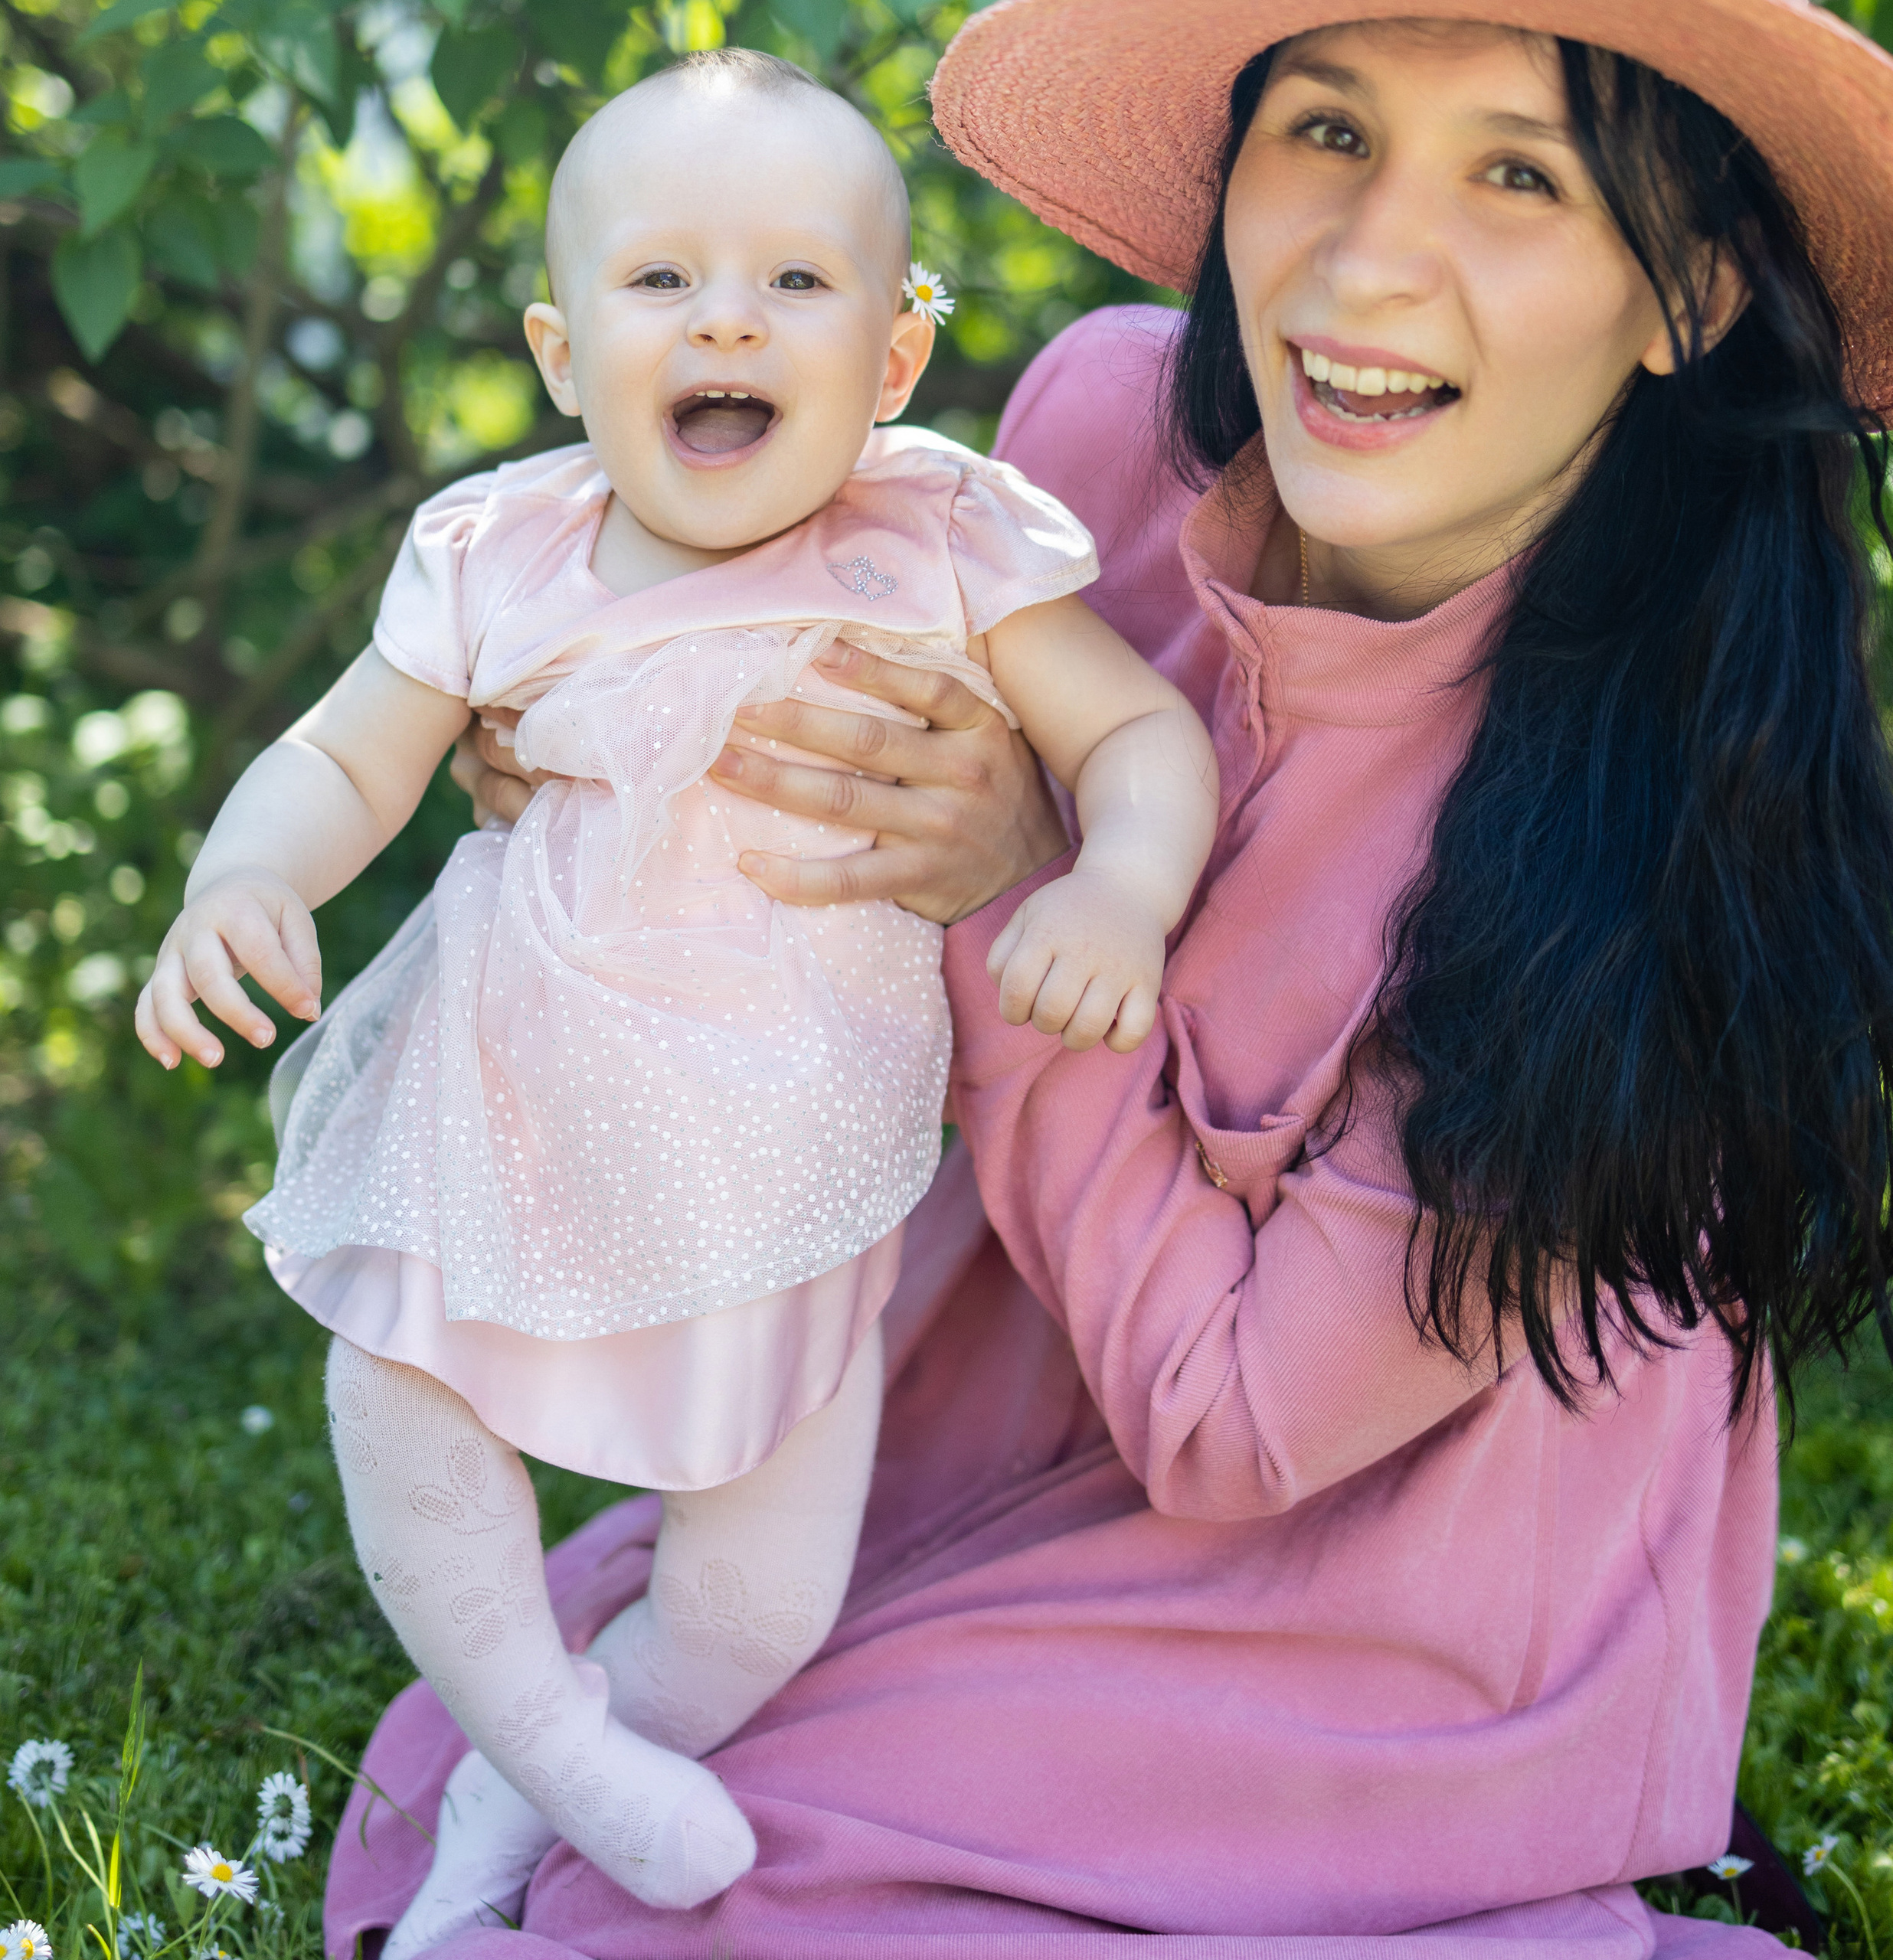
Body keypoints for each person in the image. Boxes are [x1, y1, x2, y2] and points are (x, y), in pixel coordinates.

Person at [325, 1, 1893, 1955]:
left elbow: (1234, 1423)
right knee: (514, 1782)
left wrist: (1011, 887)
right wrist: (587, 729)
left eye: (1516, 172)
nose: (1363, 256)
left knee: (691, 1910)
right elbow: (746, 637)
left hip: (1369, 1611)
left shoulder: (1658, 843)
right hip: (952, 1439)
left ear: (1688, 289)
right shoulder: (1081, 448)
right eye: (1323, 132)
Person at [132, 43, 1217, 1949]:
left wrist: (1122, 878)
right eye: (663, 280)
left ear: (887, 364)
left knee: (757, 1594)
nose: (728, 313)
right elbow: (342, 755)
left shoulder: (938, 539)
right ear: (562, 353)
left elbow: (1132, 726)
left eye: (797, 281)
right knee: (397, 1403)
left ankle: (532, 1773)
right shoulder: (501, 551)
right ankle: (540, 1726)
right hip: (506, 1087)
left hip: (792, 1157)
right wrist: (242, 873)